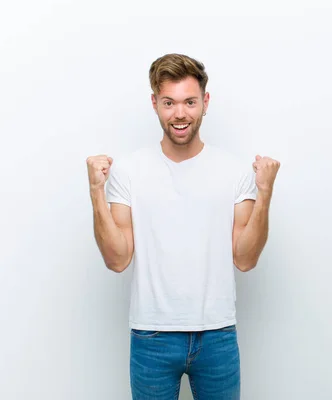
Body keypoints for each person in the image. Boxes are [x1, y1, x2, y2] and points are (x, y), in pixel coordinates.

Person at [85, 53, 280, 400]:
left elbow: (246, 259)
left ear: (205, 102)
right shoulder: (129, 172)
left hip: (217, 335)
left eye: (189, 102)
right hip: (151, 337)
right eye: (169, 103)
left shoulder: (233, 172)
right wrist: (96, 192)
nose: (180, 114)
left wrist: (264, 194)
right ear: (155, 104)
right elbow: (117, 260)